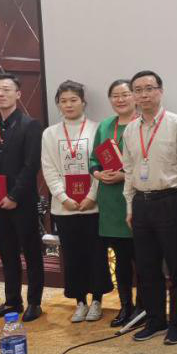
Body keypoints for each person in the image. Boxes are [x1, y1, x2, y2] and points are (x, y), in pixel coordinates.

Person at [121, 70, 177, 345]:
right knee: (147, 268)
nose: (144, 94)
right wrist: (130, 206)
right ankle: (155, 320)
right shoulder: (131, 129)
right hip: (142, 203)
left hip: (171, 200)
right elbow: (129, 171)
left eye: (149, 88)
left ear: (160, 91)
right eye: (138, 90)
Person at [0, 71, 45, 322]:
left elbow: (31, 165)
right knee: (7, 253)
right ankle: (12, 301)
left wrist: (14, 195)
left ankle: (34, 302)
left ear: (18, 94)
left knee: (32, 252)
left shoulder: (30, 125)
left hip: (22, 201)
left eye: (6, 89)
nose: (1, 94)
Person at [41, 81, 111, 322]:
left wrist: (92, 196)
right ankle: (80, 301)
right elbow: (49, 168)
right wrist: (63, 197)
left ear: (83, 102)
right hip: (64, 207)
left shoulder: (98, 129)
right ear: (58, 104)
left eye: (73, 100)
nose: (68, 105)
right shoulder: (50, 134)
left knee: (96, 254)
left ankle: (97, 300)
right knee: (72, 256)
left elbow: (102, 165)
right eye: (63, 101)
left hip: (94, 205)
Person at [89, 79, 142, 328]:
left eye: (125, 94)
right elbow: (93, 160)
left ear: (134, 97)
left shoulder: (142, 124)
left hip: (135, 198)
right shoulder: (105, 126)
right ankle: (125, 306)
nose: (120, 100)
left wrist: (124, 176)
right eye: (115, 96)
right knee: (120, 260)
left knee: (142, 261)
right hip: (110, 202)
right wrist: (98, 173)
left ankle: (143, 308)